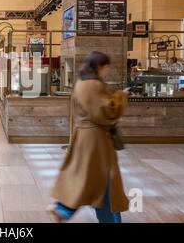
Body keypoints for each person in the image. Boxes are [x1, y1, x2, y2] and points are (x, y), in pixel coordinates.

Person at [48, 51, 129, 223]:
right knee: (105, 180)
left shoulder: (81, 83)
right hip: (96, 141)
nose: (108, 70)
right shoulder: (93, 85)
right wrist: (121, 97)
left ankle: (64, 209)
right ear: (100, 66)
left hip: (86, 138)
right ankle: (63, 209)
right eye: (107, 66)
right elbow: (106, 111)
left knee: (91, 180)